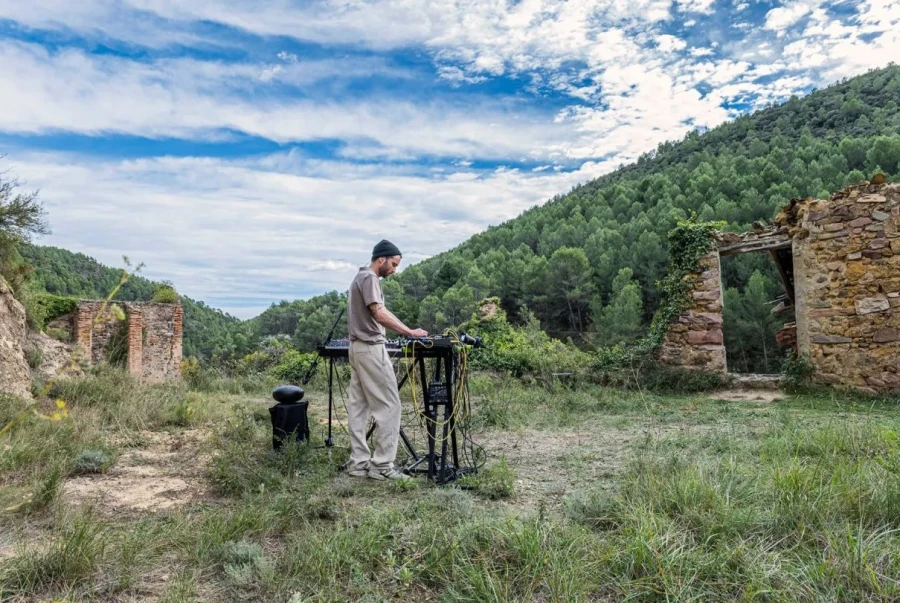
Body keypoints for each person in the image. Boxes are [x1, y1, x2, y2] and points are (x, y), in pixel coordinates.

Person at [345, 239, 428, 480]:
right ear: (381, 259)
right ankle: (382, 466)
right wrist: (409, 332)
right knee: (390, 406)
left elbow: (381, 310)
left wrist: (405, 328)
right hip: (370, 348)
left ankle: (358, 463)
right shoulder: (370, 278)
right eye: (393, 264)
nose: (394, 269)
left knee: (358, 407)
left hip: (357, 348)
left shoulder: (359, 278)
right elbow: (379, 313)